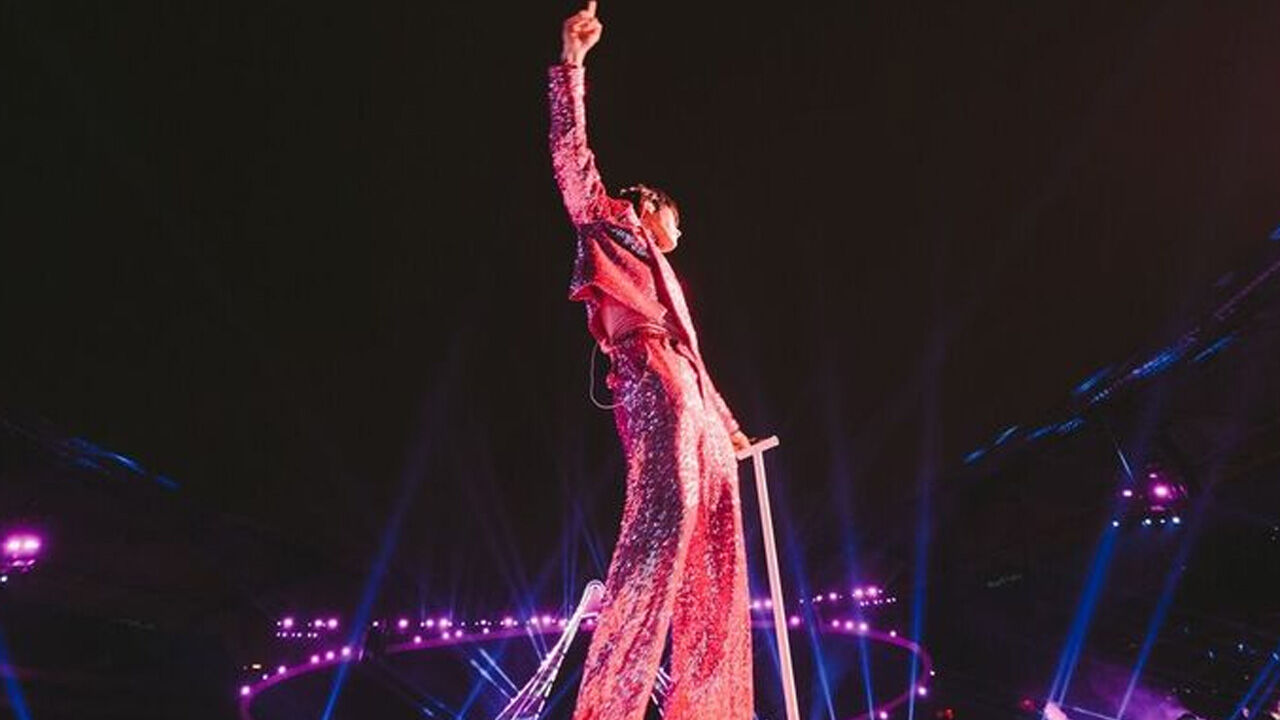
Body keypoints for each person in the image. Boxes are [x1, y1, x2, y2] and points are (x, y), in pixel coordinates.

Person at [547, 2, 754, 718]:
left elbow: (693, 351)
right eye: (676, 219)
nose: (679, 233)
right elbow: (571, 158)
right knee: (663, 527)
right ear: (650, 204)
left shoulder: (666, 277)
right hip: (652, 378)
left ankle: (710, 708)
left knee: (718, 544)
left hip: (689, 387)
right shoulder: (608, 221)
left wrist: (727, 425)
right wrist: (572, 65)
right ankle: (609, 705)